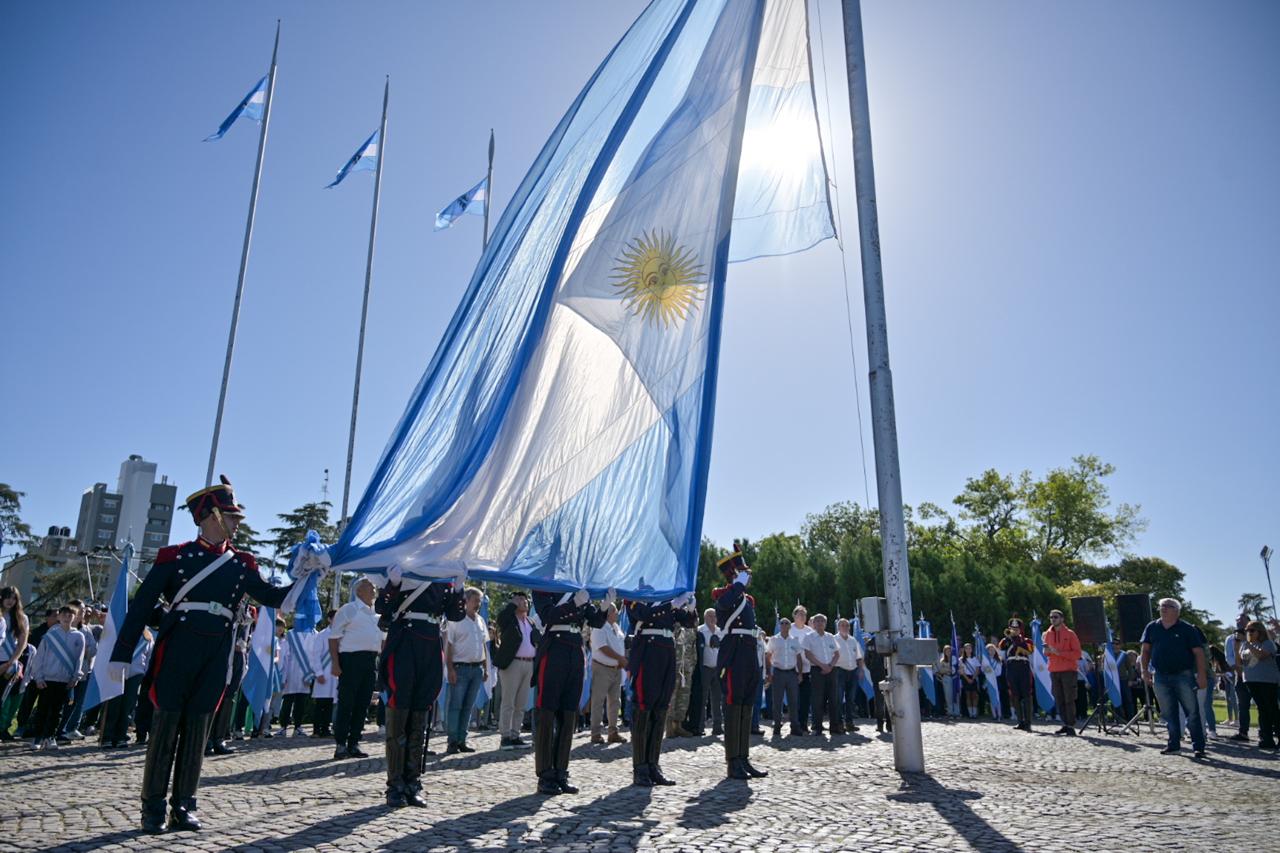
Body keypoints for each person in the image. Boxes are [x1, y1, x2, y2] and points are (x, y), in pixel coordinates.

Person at [110, 475, 298, 834]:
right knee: (166, 727)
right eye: (232, 517)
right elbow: (141, 607)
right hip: (178, 647)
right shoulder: (175, 557)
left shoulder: (242, 563)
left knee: (198, 727)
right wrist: (121, 654)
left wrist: (305, 576)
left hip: (216, 650)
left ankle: (184, 805)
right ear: (212, 516)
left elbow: (273, 597)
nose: (237, 523)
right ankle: (153, 807)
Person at [373, 567, 462, 808]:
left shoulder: (442, 573)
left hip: (431, 643)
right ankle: (395, 786)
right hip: (404, 640)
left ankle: (413, 783)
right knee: (399, 711)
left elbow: (455, 615)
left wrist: (459, 587)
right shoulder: (407, 565)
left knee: (420, 715)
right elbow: (382, 607)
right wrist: (394, 583)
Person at [531, 588, 610, 795]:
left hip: (575, 649)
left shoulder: (578, 587)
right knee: (547, 712)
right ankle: (545, 774)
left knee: (568, 715)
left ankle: (561, 771)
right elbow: (548, 615)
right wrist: (573, 604)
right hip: (554, 648)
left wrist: (603, 608)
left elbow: (596, 621)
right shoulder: (544, 584)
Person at [626, 592, 697, 786]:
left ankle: (653, 765)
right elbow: (643, 614)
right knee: (644, 708)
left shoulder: (666, 598)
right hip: (647, 651)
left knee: (661, 709)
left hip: (667, 651)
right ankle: (640, 768)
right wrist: (672, 605)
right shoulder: (634, 595)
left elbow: (687, 622)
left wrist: (690, 609)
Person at [713, 542, 767, 780]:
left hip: (748, 652)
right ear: (733, 575)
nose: (748, 577)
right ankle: (732, 761)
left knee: (747, 705)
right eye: (743, 573)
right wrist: (737, 586)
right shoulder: (724, 594)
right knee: (734, 706)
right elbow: (722, 606)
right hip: (733, 655)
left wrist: (740, 587)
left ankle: (743, 758)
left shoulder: (747, 599)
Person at [1140, 598, 1207, 758]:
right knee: (1168, 713)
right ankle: (1173, 745)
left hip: (1183, 675)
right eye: (1161, 606)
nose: (1163, 608)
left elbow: (1198, 653)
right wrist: (1144, 670)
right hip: (1160, 675)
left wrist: (1201, 674)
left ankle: (1198, 746)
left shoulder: (1187, 629)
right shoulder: (1152, 627)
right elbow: (1145, 650)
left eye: (1168, 606)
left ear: (1177, 611)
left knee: (1192, 711)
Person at [27, 605, 85, 750]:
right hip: (47, 679)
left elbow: (79, 659)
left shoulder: (79, 636)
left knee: (57, 711)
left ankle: (50, 737)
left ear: (75, 617)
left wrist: (75, 677)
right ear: (58, 617)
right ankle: (38, 738)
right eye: (64, 614)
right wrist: (38, 677)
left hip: (65, 680)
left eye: (70, 615)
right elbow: (39, 657)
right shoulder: (50, 636)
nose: (67, 617)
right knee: (42, 710)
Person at [445, 586, 489, 756]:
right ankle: (452, 741)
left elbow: (483, 645)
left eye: (480, 601)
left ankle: (462, 740)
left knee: (468, 707)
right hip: (460, 668)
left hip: (477, 669)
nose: (478, 604)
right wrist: (450, 669)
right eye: (476, 600)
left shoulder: (480, 620)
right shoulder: (455, 619)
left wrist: (485, 668)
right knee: (455, 706)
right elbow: (449, 646)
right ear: (466, 600)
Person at [493, 592, 538, 749]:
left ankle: (515, 734)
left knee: (521, 703)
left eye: (525, 600)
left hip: (528, 663)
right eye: (520, 600)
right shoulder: (509, 619)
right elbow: (501, 619)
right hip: (513, 663)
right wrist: (512, 604)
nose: (524, 602)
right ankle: (505, 736)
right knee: (508, 701)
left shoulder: (531, 621)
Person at [589, 602, 627, 746]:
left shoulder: (616, 627)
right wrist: (620, 658)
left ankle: (613, 731)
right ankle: (596, 733)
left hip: (616, 668)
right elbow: (602, 647)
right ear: (608, 613)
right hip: (602, 667)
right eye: (615, 611)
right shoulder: (599, 626)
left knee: (615, 701)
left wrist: (620, 660)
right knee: (598, 701)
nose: (617, 613)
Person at [1238, 620, 1279, 751]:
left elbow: (1261, 655)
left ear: (1259, 631)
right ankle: (1266, 738)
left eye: (1251, 630)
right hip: (1251, 680)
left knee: (1271, 708)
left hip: (1267, 680)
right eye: (1246, 631)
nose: (1248, 633)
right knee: (1262, 709)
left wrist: (1248, 645)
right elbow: (1243, 661)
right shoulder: (1245, 645)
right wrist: (1242, 645)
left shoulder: (1267, 643)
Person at [1042, 609, 1081, 735]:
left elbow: (1077, 654)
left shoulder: (1070, 634)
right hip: (1054, 670)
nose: (1053, 619)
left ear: (1062, 619)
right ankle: (1065, 723)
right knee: (1059, 698)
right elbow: (1046, 653)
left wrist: (1059, 653)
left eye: (1056, 617)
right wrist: (1047, 651)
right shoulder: (1047, 634)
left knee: (1069, 698)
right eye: (1051, 617)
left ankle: (1070, 725)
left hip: (1068, 671)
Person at [802, 614, 842, 735]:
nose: (820, 623)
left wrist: (830, 666)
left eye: (822, 621)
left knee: (834, 699)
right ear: (813, 624)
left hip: (832, 670)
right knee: (817, 699)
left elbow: (837, 654)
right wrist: (822, 665)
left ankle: (834, 727)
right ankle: (817, 727)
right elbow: (808, 654)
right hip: (817, 670)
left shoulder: (830, 636)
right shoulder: (808, 637)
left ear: (825, 623)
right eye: (817, 621)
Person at [0, 586, 29, 741]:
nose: (10, 601)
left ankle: (2, 729)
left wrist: (10, 662)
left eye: (13, 598)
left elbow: (22, 643)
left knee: (3, 698)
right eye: (7, 597)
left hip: (9, 663)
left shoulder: (22, 618)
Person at [765, 617, 803, 737]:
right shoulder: (774, 640)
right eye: (782, 623)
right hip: (778, 673)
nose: (784, 625)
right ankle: (777, 726)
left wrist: (800, 673)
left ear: (790, 626)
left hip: (792, 673)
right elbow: (768, 656)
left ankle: (795, 727)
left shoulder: (794, 640)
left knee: (793, 701)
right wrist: (769, 673)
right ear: (779, 625)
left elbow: (799, 658)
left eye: (787, 623)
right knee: (777, 701)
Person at [999, 618, 1034, 731]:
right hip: (1011, 668)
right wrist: (1008, 638)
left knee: (1026, 694)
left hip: (1023, 667)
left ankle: (1028, 722)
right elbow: (1001, 651)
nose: (1014, 630)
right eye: (1012, 628)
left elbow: (1030, 650)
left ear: (1020, 630)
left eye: (1016, 629)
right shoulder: (1005, 640)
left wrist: (1016, 639)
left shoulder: (1027, 640)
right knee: (1015, 694)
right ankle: (1020, 721)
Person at [308, 610, 337, 739]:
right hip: (323, 672)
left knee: (330, 703)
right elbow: (315, 655)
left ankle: (325, 729)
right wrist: (318, 672)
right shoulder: (322, 635)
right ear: (329, 619)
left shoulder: (341, 633)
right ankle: (316, 730)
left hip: (335, 674)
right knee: (320, 703)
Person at [831, 618, 863, 733]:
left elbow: (859, 657)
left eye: (847, 625)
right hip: (839, 671)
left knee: (851, 699)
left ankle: (849, 723)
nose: (845, 627)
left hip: (853, 671)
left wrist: (861, 670)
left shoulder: (853, 640)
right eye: (843, 625)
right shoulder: (833, 639)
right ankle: (839, 724)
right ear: (838, 627)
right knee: (838, 699)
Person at [1224, 613, 1253, 742]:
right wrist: (1238, 669)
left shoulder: (1255, 636)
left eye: (1242, 620)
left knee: (1263, 704)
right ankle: (1243, 732)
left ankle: (1268, 731)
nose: (1239, 623)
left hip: (1255, 674)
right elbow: (1229, 656)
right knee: (1242, 704)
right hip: (1239, 675)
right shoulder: (1230, 639)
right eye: (1237, 621)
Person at [696, 608, 723, 737]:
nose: (713, 618)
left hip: (717, 668)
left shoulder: (720, 631)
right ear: (705, 617)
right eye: (710, 616)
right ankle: (700, 726)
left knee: (717, 699)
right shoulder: (700, 630)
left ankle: (717, 726)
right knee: (702, 699)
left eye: (714, 616)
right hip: (705, 668)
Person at [668, 621, 697, 739]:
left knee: (684, 697)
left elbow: (693, 645)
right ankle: (669, 727)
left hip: (687, 667)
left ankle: (678, 725)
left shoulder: (692, 625)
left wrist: (693, 662)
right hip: (675, 666)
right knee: (672, 696)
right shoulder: (674, 623)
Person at [791, 605, 814, 733]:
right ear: (794, 616)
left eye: (804, 614)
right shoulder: (789, 629)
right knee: (794, 700)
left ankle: (804, 724)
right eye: (800, 614)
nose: (802, 617)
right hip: (792, 669)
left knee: (805, 699)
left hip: (808, 669)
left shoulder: (810, 631)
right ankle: (795, 724)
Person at [959, 643, 980, 719]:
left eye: (969, 648)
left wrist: (973, 678)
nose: (968, 650)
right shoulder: (961, 659)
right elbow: (961, 671)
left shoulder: (975, 658)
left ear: (972, 649)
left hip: (973, 677)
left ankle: (974, 713)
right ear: (964, 650)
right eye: (966, 648)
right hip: (965, 678)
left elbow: (977, 670)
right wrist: (967, 679)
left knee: (974, 695)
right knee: (968, 695)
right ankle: (970, 713)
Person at [936, 645, 956, 718]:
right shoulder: (942, 660)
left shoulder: (954, 659)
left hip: (955, 678)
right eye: (947, 651)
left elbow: (956, 668)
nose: (948, 652)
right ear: (944, 652)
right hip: (946, 678)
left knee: (956, 695)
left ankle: (956, 711)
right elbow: (940, 670)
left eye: (949, 650)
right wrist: (948, 670)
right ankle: (950, 711)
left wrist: (947, 669)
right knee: (948, 695)